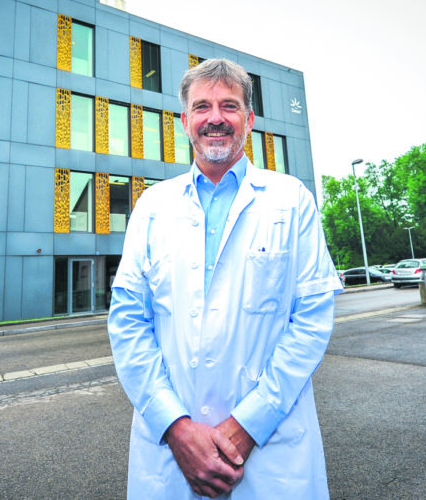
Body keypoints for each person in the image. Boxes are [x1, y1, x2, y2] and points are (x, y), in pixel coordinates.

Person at [107, 58, 343, 499]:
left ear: (249, 120)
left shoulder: (291, 200)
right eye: (202, 107)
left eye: (229, 106)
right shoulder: (151, 207)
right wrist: (175, 427)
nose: (215, 118)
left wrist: (247, 426)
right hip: (171, 458)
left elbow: (311, 321)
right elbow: (128, 324)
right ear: (184, 121)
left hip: (271, 457)